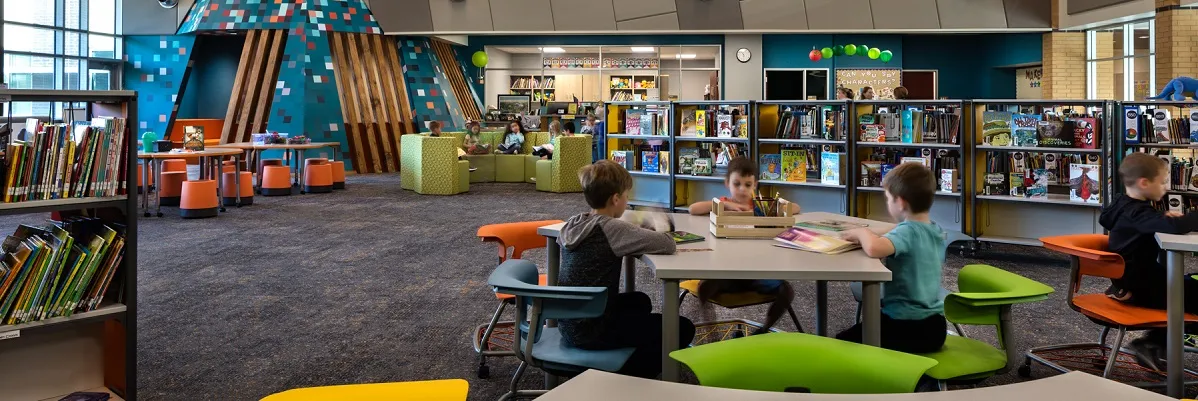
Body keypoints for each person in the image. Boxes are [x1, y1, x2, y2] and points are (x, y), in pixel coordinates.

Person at [558, 160, 696, 379]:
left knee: (640, 301)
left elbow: (618, 232)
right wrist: (655, 223)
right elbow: (667, 244)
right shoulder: (612, 229)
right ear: (615, 199)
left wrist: (632, 227)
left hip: (568, 320)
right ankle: (627, 375)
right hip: (593, 328)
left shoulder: (574, 223)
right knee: (681, 327)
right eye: (626, 196)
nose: (627, 201)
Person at [1099, 152, 1198, 371]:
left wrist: (1160, 219)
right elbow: (1174, 228)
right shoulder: (1137, 213)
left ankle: (1159, 342)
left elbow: (1106, 217)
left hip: (1126, 281)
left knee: (1187, 284)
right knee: (1190, 293)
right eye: (1162, 182)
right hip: (1140, 285)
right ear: (1144, 183)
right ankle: (1152, 343)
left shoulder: (1122, 204)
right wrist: (1185, 219)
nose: (1165, 187)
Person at [836, 162, 946, 353]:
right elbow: (895, 231)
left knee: (842, 341)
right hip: (935, 327)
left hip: (905, 326)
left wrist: (862, 234)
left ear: (901, 202)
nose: (887, 204)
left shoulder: (907, 232)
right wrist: (866, 231)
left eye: (888, 199)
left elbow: (874, 248)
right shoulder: (933, 228)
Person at [687, 157, 799, 334]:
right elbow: (693, 208)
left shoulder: (761, 205)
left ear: (755, 185)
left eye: (748, 185)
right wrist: (728, 205)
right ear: (727, 183)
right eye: (737, 183)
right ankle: (712, 333)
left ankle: (762, 331)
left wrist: (768, 208)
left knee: (787, 290)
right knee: (704, 287)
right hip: (726, 272)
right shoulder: (723, 203)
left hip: (756, 272)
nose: (742, 189)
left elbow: (796, 208)